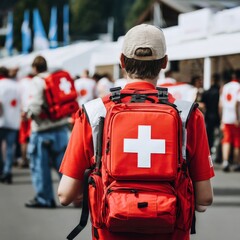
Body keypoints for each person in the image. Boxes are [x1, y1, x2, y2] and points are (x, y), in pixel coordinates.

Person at [58, 24, 214, 240]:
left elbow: (65, 195)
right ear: (165, 63)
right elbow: (204, 198)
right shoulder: (188, 115)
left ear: (122, 61)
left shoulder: (94, 112)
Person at [24, 56, 70, 208]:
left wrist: (28, 114)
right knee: (63, 166)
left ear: (34, 68)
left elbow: (36, 105)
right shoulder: (53, 79)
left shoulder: (37, 81)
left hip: (42, 130)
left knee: (40, 167)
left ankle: (45, 199)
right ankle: (75, 196)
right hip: (60, 128)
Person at [0, 66, 21, 184]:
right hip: (13, 121)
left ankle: (2, 170)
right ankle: (7, 171)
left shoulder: (1, 84)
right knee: (9, 148)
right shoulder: (16, 85)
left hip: (1, 120)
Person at [219, 71, 240, 172]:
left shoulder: (225, 87)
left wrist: (221, 119)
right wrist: (237, 117)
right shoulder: (238, 87)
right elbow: (237, 103)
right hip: (236, 119)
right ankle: (236, 163)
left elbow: (220, 104)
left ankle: (225, 161)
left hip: (226, 117)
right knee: (237, 141)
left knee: (226, 140)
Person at [201, 73, 221, 153]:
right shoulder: (219, 92)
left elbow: (203, 105)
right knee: (217, 135)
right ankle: (216, 151)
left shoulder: (207, 92)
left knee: (209, 135)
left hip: (208, 115)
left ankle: (209, 150)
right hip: (217, 116)